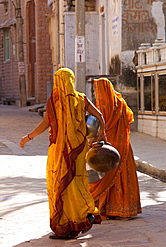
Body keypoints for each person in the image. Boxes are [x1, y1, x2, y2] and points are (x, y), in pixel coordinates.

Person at [19, 68, 106, 239]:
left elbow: (45, 124)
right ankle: (83, 215)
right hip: (78, 149)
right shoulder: (81, 99)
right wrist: (102, 134)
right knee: (77, 183)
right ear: (72, 81)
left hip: (59, 151)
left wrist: (28, 138)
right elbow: (99, 116)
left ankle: (67, 225)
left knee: (60, 185)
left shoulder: (54, 102)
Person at [89, 78, 142, 220]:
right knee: (122, 176)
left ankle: (106, 208)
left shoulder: (100, 107)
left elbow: (96, 129)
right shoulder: (121, 103)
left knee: (103, 176)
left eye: (95, 90)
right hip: (123, 148)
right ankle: (124, 209)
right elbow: (128, 121)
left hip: (106, 150)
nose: (94, 93)